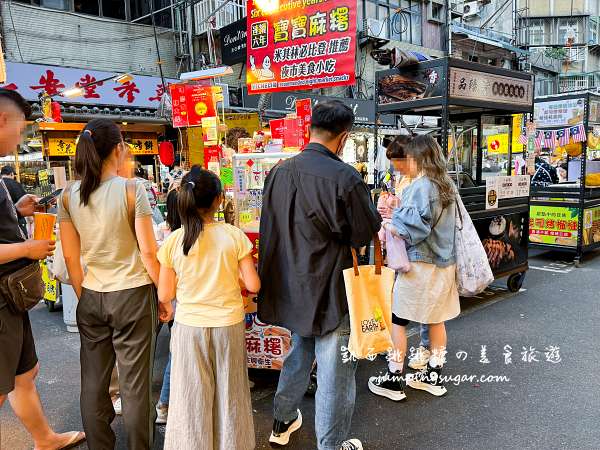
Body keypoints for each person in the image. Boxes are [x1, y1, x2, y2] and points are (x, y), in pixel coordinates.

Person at [258, 101, 381, 450]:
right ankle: (331, 444)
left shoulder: (279, 172)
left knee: (299, 351)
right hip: (331, 289)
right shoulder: (346, 177)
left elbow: (272, 227)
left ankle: (281, 422)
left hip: (292, 285)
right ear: (343, 138)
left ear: (311, 128)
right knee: (335, 374)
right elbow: (362, 234)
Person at [58, 118, 161, 450]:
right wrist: (165, 295)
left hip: (91, 293)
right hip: (132, 294)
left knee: (93, 383)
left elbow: (73, 259)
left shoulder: (68, 194)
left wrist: (84, 294)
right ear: (119, 149)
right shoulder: (133, 189)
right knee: (135, 385)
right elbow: (148, 251)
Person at [0, 88, 86, 449]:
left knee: (25, 374)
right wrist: (27, 247)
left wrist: (18, 210)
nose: (21, 138)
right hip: (1, 299)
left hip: (13, 297)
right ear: (2, 120)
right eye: (20, 129)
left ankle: (45, 438)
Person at [157, 166, 259, 450]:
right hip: (228, 325)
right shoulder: (234, 235)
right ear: (218, 200)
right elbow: (253, 284)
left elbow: (165, 292)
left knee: (191, 397)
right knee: (231, 393)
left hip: (189, 326)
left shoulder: (175, 240)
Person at [368, 134, 459, 401]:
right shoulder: (445, 184)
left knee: (398, 320)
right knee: (436, 320)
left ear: (419, 157)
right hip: (444, 264)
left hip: (420, 266)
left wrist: (388, 224)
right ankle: (433, 375)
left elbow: (412, 229)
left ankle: (394, 379)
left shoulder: (421, 187)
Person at [380, 136, 432, 370]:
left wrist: (394, 218)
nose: (394, 166)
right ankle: (430, 368)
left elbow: (416, 225)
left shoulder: (422, 184)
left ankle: (396, 373)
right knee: (423, 311)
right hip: (406, 253)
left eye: (397, 160)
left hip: (418, 255)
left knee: (403, 315)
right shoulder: (409, 180)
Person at [155, 187, 181, 425]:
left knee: (174, 354)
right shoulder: (183, 237)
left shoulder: (161, 232)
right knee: (177, 356)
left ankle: (164, 403)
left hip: (164, 303)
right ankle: (164, 403)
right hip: (179, 306)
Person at [1, 164, 28, 235]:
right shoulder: (16, 184)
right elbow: (26, 201)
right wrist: (30, 218)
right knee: (22, 243)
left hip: (3, 224)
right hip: (18, 220)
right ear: (11, 173)